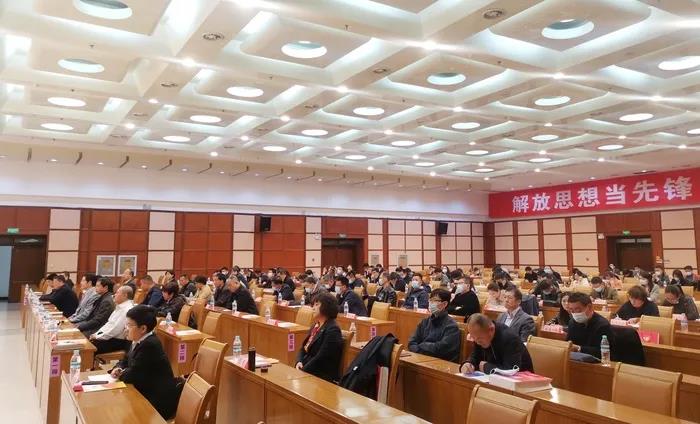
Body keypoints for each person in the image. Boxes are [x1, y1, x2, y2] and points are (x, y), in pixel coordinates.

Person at [110, 305, 180, 419]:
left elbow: (132, 375)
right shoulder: (136, 339)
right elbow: (125, 360)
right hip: (143, 390)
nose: (125, 329)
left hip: (156, 401)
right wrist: (117, 368)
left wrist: (121, 373)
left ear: (143, 329)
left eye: (129, 325)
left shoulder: (150, 345)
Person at [461, 313, 533, 374]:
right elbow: (475, 356)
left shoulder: (509, 339)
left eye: (479, 339)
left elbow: (511, 370)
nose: (477, 342)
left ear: (491, 329)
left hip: (523, 382)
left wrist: (487, 367)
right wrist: (468, 363)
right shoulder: (479, 334)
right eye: (474, 338)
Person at [295, 292, 343, 382]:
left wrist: (303, 370)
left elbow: (322, 357)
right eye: (313, 305)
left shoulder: (333, 329)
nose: (313, 308)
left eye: (317, 305)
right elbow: (303, 348)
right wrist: (299, 362)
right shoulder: (316, 325)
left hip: (321, 375)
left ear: (326, 307)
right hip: (308, 369)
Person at [407, 289, 461, 362]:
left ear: (444, 304)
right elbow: (411, 343)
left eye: (435, 300)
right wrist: (421, 349)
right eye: (430, 300)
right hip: (421, 358)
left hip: (439, 362)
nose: (431, 303)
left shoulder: (451, 326)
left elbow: (441, 349)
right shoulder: (425, 322)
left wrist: (422, 345)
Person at [566, 292, 613, 359]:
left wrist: (579, 348)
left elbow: (602, 351)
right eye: (571, 310)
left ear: (589, 307)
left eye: (578, 310)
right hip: (576, 359)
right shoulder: (572, 322)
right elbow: (569, 343)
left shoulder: (603, 325)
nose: (575, 313)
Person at [90, 285, 134, 354]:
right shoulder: (120, 307)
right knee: (88, 342)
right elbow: (109, 324)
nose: (114, 295)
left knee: (88, 349)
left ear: (125, 295)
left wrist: (97, 337)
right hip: (110, 338)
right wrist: (96, 334)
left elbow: (115, 329)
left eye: (117, 293)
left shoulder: (127, 309)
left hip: (117, 341)